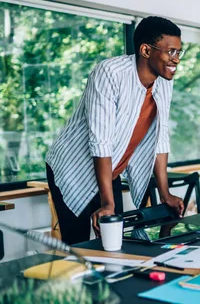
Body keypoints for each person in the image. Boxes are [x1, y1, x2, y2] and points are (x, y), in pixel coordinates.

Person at [45, 16, 185, 245]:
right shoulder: (110, 73)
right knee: (78, 243)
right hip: (73, 167)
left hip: (110, 168)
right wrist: (107, 202)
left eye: (179, 52)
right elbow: (101, 140)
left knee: (115, 240)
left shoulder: (164, 81)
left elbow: (161, 136)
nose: (176, 60)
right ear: (146, 50)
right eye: (171, 52)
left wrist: (165, 193)